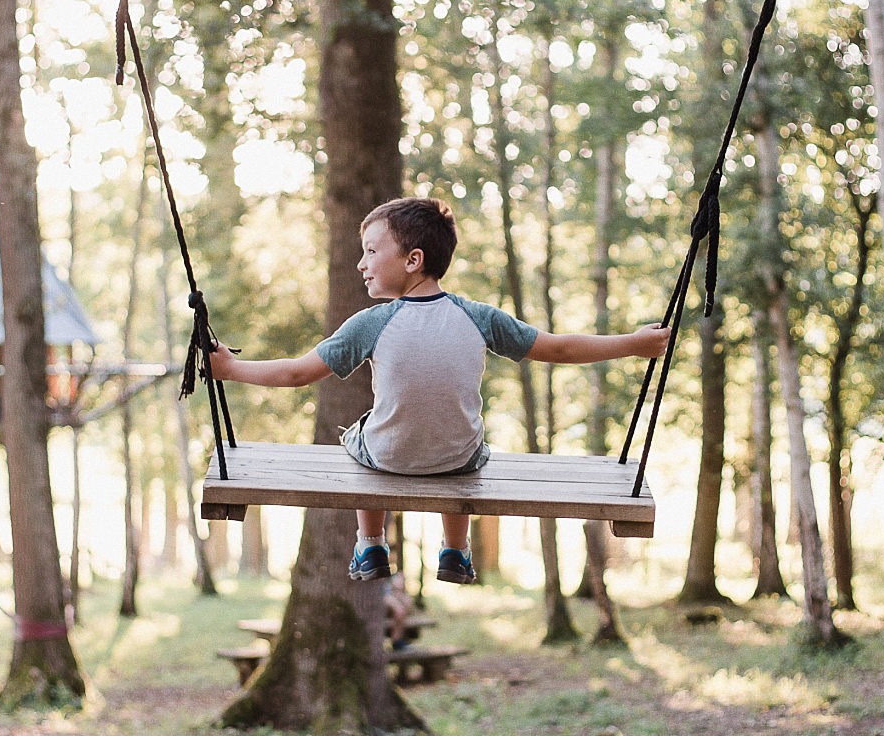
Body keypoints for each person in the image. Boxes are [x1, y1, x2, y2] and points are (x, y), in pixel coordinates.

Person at [207, 196, 670, 585]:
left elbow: (296, 374)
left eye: (370, 251)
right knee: (467, 443)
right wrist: (634, 343)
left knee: (360, 436)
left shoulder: (371, 323)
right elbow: (559, 349)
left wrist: (230, 368)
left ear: (413, 260)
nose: (360, 263)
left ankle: (370, 543)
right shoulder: (479, 317)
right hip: (456, 459)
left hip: (389, 457)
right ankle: (455, 549)